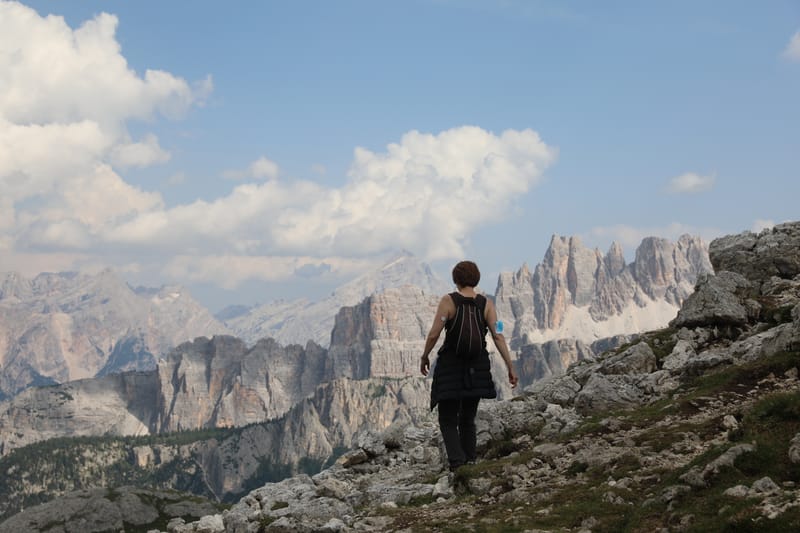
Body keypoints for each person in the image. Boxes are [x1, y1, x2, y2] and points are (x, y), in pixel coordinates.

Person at [420, 260, 519, 471]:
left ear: (456, 279)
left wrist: (425, 356)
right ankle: (471, 461)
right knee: (468, 418)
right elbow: (498, 335)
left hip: (450, 366)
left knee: (447, 418)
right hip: (477, 368)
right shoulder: (487, 304)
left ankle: (458, 465)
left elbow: (434, 333)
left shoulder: (448, 301)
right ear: (476, 279)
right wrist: (510, 365)